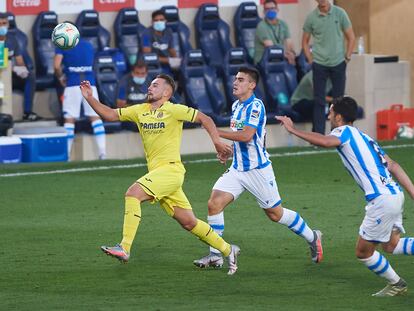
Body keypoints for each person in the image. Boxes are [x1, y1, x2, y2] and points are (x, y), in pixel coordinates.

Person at [79, 74, 241, 275]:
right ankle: (228, 250)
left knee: (133, 193)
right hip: (159, 175)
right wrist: (90, 98)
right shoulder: (140, 110)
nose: (149, 87)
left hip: (171, 171)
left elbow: (205, 118)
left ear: (166, 92)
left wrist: (216, 141)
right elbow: (111, 115)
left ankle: (125, 247)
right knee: (188, 222)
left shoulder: (174, 110)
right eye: (149, 84)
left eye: (155, 85)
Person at [276, 96, 414, 297]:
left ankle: (397, 284)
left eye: (331, 112)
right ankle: (397, 284)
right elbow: (393, 165)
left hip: (382, 200)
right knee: (391, 245)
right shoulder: (365, 137)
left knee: (363, 252)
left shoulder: (343, 132)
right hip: (394, 195)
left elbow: (325, 142)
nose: (329, 115)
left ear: (338, 116)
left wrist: (293, 129)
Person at [193, 67, 323, 269]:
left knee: (275, 214)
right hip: (238, 169)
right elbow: (241, 141)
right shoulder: (236, 105)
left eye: (241, 80)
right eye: (235, 79)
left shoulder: (256, 106)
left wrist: (215, 132)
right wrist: (228, 152)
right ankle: (215, 254)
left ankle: (312, 236)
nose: (235, 83)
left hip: (257, 170)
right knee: (214, 203)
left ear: (252, 85)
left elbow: (246, 135)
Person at [302, 0, 355, 134]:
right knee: (319, 101)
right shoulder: (311, 17)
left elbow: (351, 37)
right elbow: (304, 41)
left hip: (338, 62)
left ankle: (338, 133)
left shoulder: (340, 13)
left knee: (339, 101)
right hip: (319, 63)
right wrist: (310, 59)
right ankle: (318, 135)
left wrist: (347, 57)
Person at [54, 36, 106, 160]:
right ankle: (103, 153)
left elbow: (56, 66)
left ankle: (66, 156)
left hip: (72, 84)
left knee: (69, 119)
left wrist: (61, 77)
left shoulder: (63, 45)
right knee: (95, 118)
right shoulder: (88, 45)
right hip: (90, 84)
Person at [0, 12, 41, 121]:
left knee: (30, 77)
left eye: (4, 23)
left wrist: (22, 69)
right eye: (0, 24)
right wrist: (12, 68)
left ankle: (27, 112)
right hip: (1, 76)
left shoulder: (12, 39)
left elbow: (19, 60)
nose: (2, 26)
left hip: (9, 75)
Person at [254, 0, 296, 65]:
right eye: (267, 9)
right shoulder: (261, 26)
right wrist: (285, 55)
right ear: (264, 11)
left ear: (277, 9)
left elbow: (289, 42)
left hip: (280, 56)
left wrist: (291, 53)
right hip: (264, 60)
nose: (270, 10)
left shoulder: (283, 24)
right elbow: (270, 46)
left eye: (272, 8)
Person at [141, 10, 181, 74]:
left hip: (166, 63)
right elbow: (148, 55)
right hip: (152, 65)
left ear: (165, 21)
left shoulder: (169, 31)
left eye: (161, 20)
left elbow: (171, 49)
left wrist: (176, 60)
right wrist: (169, 60)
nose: (159, 22)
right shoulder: (146, 33)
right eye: (156, 20)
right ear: (152, 22)